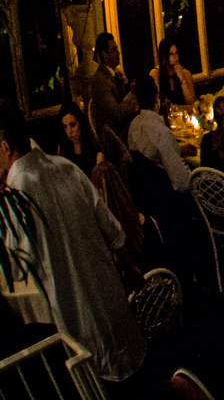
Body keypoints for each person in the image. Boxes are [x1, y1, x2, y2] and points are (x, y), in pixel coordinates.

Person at [0, 101, 146, 381]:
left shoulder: (19, 193)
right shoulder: (64, 167)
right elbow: (110, 226)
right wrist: (129, 268)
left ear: (6, 148)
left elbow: (18, 270)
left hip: (80, 322)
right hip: (114, 306)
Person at [127, 74, 192, 196]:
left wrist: (178, 150)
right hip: (167, 198)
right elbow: (182, 183)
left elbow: (151, 155)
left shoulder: (133, 126)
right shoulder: (161, 133)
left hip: (146, 195)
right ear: (157, 97)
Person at [79, 32, 138, 138]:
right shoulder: (100, 81)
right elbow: (116, 113)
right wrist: (133, 97)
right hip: (113, 137)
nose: (119, 53)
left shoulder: (115, 74)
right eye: (114, 50)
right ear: (104, 54)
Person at [53, 102, 100, 175]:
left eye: (72, 125)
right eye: (65, 127)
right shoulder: (63, 149)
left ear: (80, 122)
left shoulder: (93, 146)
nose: (69, 131)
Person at [155, 37, 197, 107]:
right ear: (164, 57)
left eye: (176, 53)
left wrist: (182, 80)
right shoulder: (156, 74)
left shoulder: (186, 73)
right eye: (171, 54)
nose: (175, 57)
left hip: (183, 115)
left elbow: (192, 104)